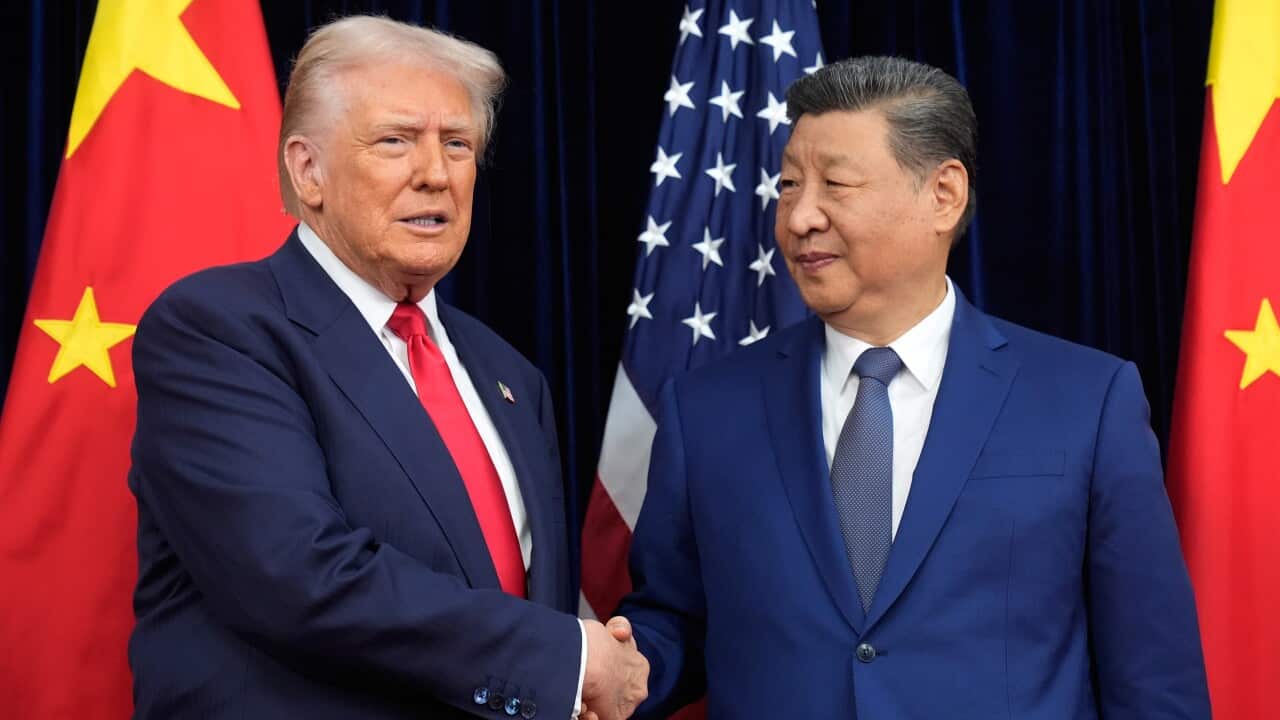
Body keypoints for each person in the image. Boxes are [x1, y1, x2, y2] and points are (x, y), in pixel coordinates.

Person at [616, 56, 1210, 718]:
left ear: (944, 195)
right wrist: (617, 668)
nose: (799, 217)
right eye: (787, 185)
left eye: (835, 183)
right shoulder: (706, 411)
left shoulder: (1087, 403)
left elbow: (1155, 682)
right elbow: (675, 623)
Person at [127, 16, 645, 720]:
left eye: (457, 144)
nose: (434, 174)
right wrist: (569, 658)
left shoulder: (512, 378)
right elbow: (299, 574)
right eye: (395, 141)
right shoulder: (218, 330)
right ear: (308, 170)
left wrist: (568, 666)